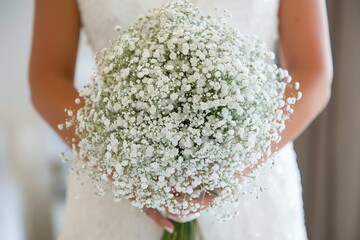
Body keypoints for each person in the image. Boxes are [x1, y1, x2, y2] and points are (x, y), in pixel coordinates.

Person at [29, 0, 333, 239]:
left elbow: (313, 72)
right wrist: (121, 167)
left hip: (252, 184)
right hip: (117, 184)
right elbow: (47, 76)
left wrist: (232, 164)